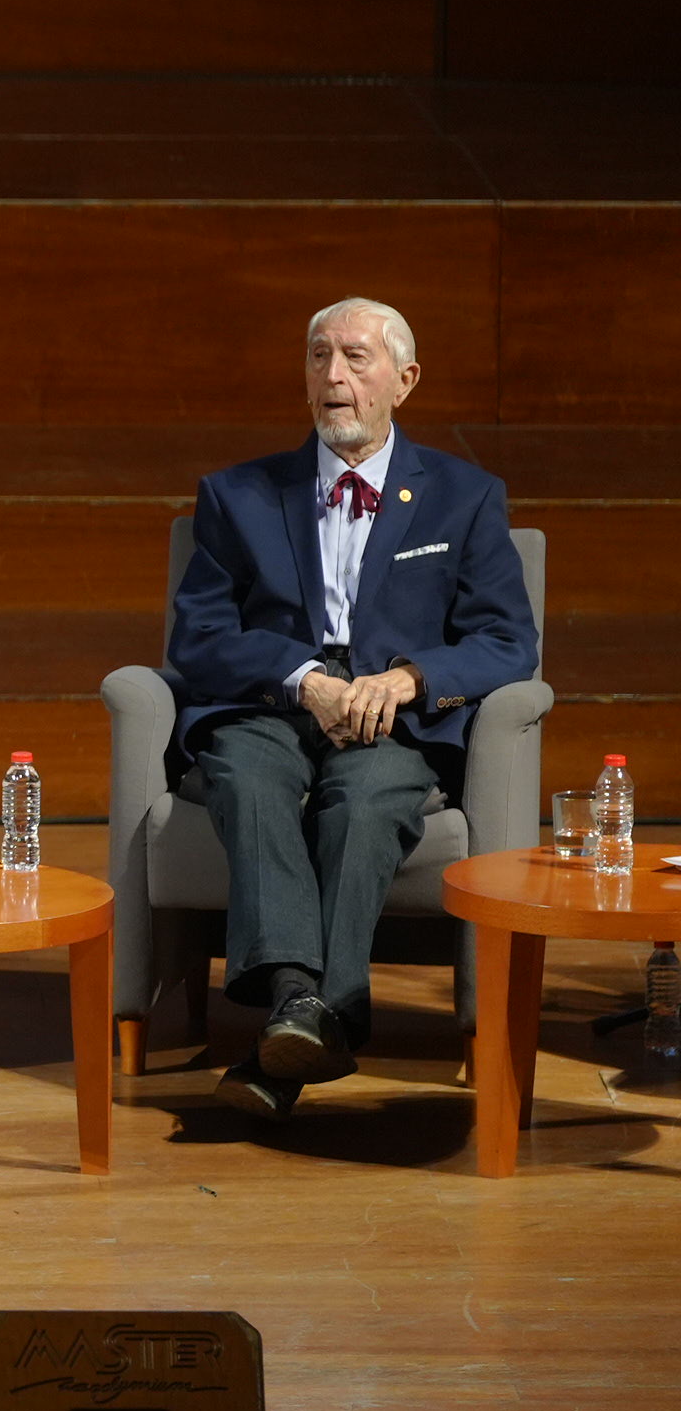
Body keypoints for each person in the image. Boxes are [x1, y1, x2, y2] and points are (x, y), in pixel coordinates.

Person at [166, 296, 538, 1120]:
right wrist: (304, 678)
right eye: (318, 356)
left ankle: (294, 1026)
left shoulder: (464, 496)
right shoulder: (237, 494)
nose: (333, 375)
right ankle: (309, 1007)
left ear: (404, 380)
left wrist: (409, 680)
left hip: (392, 711)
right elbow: (198, 637)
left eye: (355, 358)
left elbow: (508, 642)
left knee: (364, 804)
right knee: (249, 781)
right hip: (271, 699)